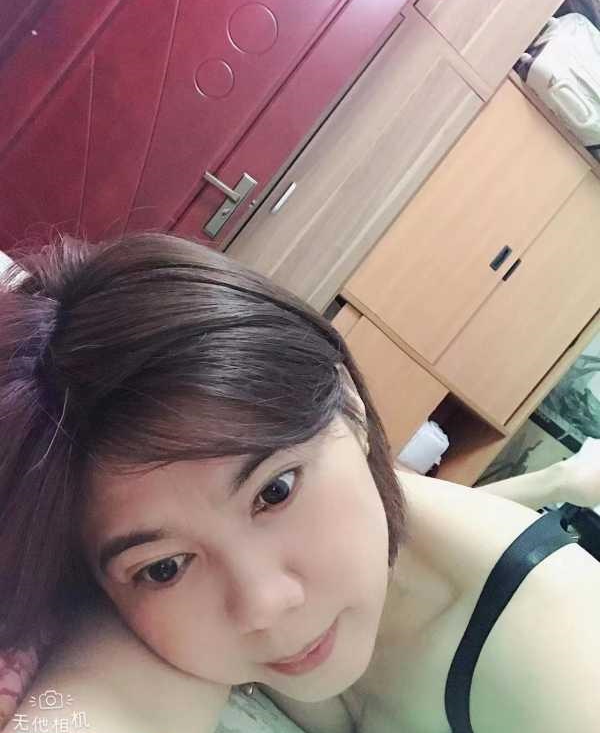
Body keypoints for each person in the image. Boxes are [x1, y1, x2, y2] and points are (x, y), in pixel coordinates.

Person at [1, 232, 599, 733]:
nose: (264, 604)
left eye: (275, 491)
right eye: (166, 568)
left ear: (350, 403)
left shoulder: (565, 660)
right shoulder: (140, 592)